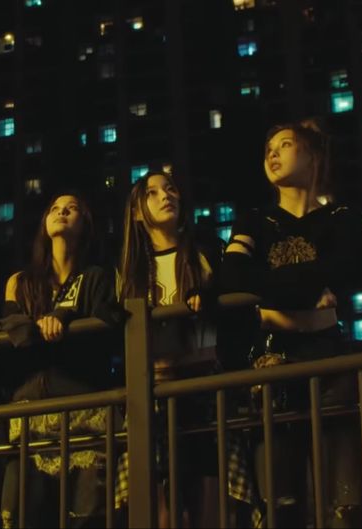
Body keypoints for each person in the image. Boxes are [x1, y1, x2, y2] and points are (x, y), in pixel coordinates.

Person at [222, 119, 362, 527]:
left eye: (285, 144)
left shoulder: (342, 216)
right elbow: (233, 275)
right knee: (280, 501)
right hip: (274, 362)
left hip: (330, 358)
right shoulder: (253, 220)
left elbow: (348, 265)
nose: (272, 153)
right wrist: (306, 294)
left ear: (312, 155)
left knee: (346, 500)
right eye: (268, 147)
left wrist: (271, 289)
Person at [0, 193, 124, 529]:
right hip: (30, 414)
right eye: (54, 208)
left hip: (84, 409)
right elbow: (13, 334)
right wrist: (41, 330)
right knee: (24, 513)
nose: (62, 211)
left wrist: (64, 315)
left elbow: (106, 333)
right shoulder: (21, 281)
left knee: (86, 517)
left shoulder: (98, 276)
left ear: (85, 223)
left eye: (72, 208)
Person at [115, 171, 222, 527]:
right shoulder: (130, 271)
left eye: (171, 189)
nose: (165, 196)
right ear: (136, 212)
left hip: (202, 389)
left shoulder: (203, 253)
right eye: (153, 192)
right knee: (159, 505)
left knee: (206, 499)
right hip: (154, 395)